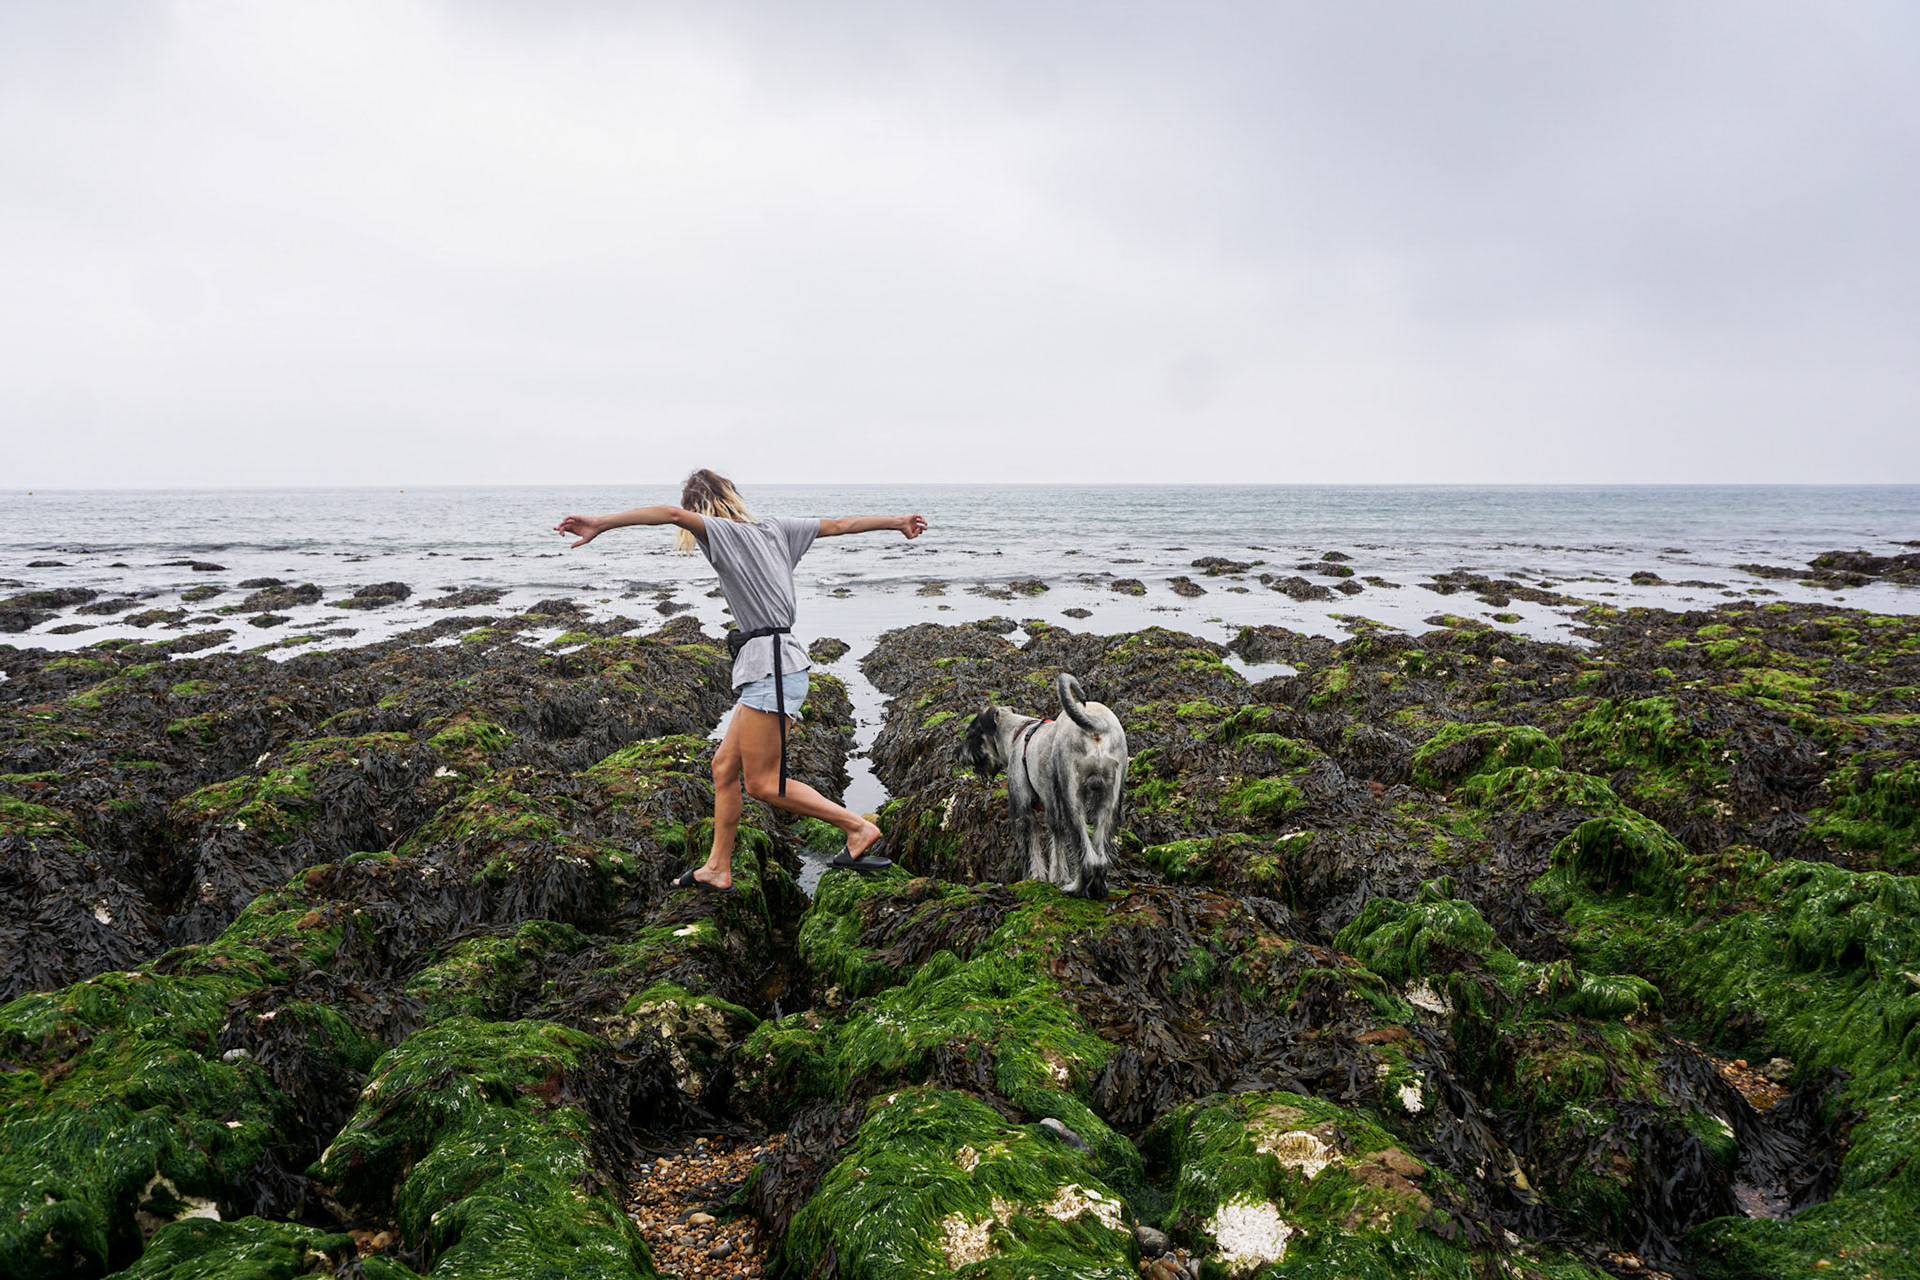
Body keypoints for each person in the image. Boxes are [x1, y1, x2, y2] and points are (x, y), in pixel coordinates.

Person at [554, 470, 927, 893]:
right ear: (732, 495)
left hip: (773, 668)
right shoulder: (778, 530)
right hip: (775, 664)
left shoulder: (719, 532)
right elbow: (842, 525)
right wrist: (897, 522)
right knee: (724, 768)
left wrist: (601, 523)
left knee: (765, 785)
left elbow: (670, 514)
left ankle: (856, 828)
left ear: (701, 509)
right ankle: (717, 868)